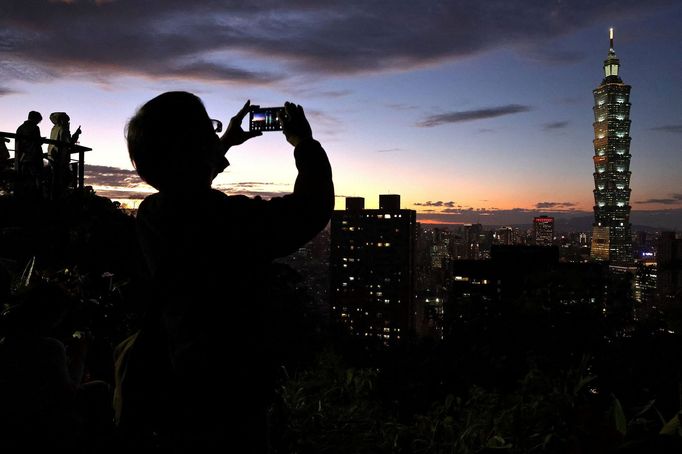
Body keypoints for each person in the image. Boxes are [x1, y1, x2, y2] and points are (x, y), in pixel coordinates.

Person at [115, 91, 334, 451]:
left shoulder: (152, 213)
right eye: (209, 131)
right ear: (193, 147)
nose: (215, 137)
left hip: (177, 375)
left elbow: (185, 183)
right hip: (230, 390)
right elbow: (310, 208)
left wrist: (227, 140)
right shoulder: (226, 220)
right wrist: (304, 143)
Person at [47, 112, 81, 198]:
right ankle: (59, 198)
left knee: (54, 179)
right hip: (60, 157)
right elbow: (69, 142)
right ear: (63, 120)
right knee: (66, 178)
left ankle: (53, 197)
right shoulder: (63, 129)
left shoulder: (54, 128)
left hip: (51, 155)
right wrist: (77, 134)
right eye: (66, 120)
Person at [15, 111, 45, 196]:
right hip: (34, 157)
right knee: (37, 177)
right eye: (39, 121)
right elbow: (36, 142)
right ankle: (37, 197)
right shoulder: (35, 128)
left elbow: (19, 143)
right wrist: (41, 141)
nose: (38, 123)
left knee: (25, 179)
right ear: (36, 119)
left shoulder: (20, 128)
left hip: (22, 158)